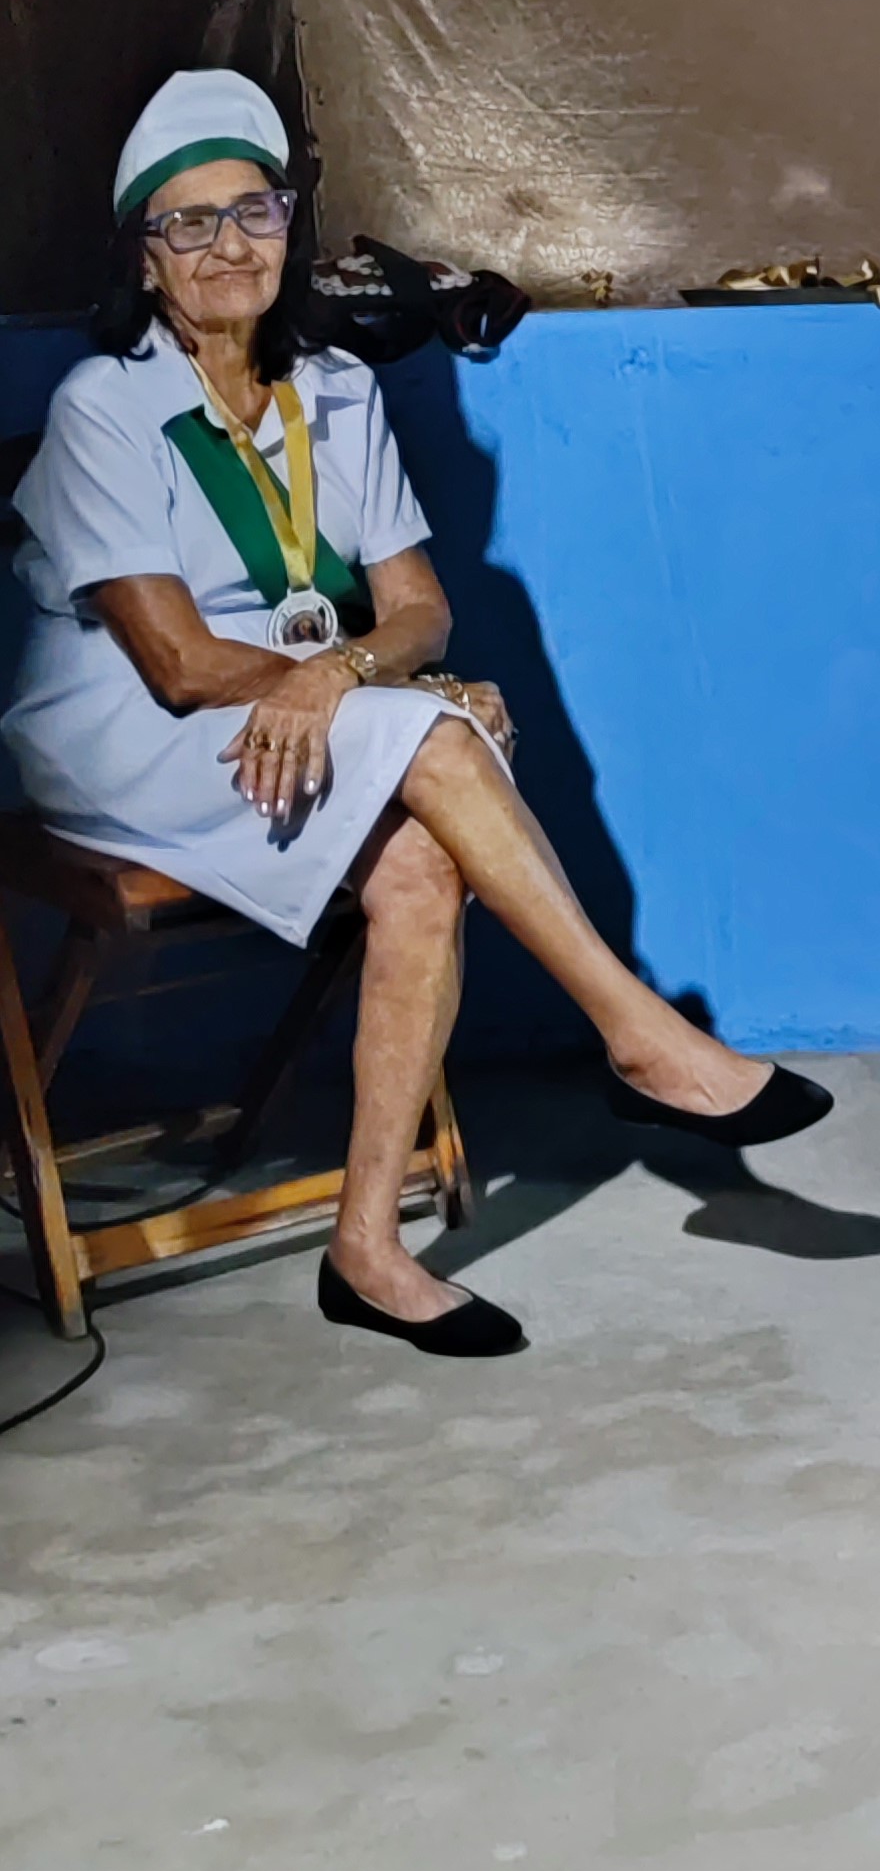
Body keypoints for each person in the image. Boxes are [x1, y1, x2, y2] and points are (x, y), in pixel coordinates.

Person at [5, 72, 833, 1358]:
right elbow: (171, 662)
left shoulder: (338, 387)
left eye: (254, 212)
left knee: (420, 869)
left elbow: (420, 611)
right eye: (190, 224)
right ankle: (640, 1035)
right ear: (144, 256)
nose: (229, 247)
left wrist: (347, 676)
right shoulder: (102, 407)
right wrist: (373, 685)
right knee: (441, 731)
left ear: (288, 227)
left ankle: (367, 1250)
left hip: (293, 708)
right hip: (124, 732)